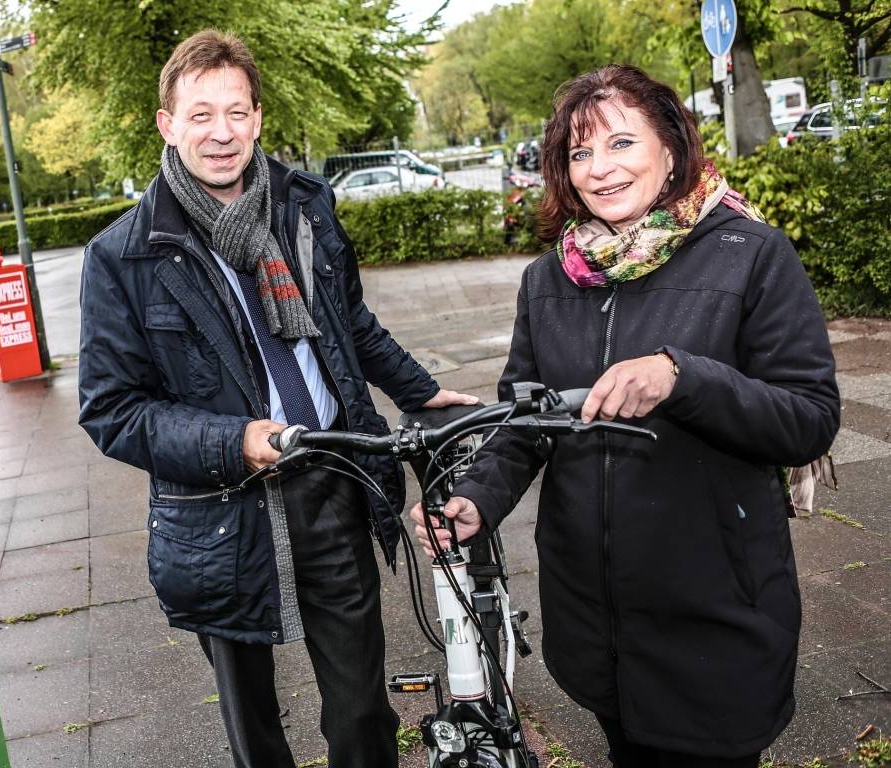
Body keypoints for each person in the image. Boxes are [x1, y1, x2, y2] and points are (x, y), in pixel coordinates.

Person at [412, 65, 839, 767]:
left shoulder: (751, 254)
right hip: (593, 623)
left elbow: (807, 419)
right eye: (579, 154)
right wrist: (475, 499)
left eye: (619, 144)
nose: (598, 170)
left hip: (713, 615)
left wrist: (683, 377)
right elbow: (525, 419)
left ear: (670, 147)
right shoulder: (549, 278)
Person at [78, 30, 474, 768]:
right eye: (200, 115)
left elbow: (346, 322)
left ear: (257, 117)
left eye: (235, 112)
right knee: (252, 725)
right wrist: (233, 441)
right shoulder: (121, 256)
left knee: (360, 710)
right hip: (219, 511)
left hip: (332, 478)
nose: (220, 133)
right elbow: (112, 409)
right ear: (167, 124)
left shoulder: (303, 207)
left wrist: (421, 392)